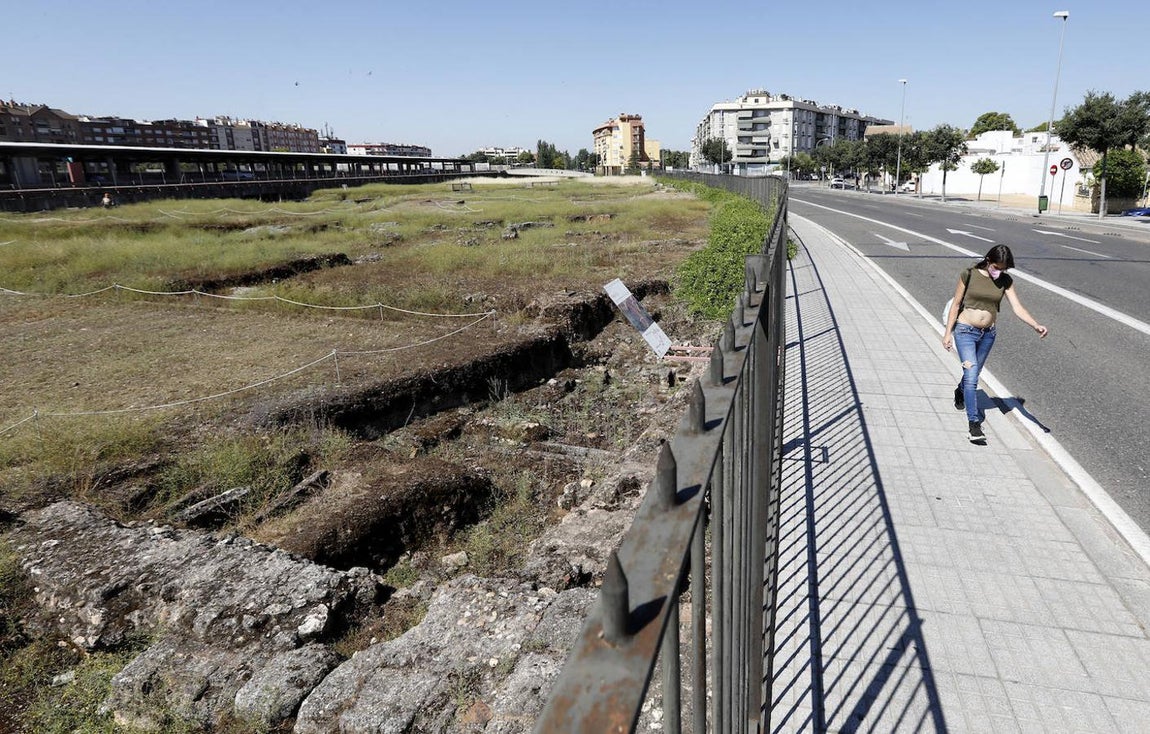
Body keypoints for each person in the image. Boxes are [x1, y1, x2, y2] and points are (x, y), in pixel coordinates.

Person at [942, 245, 1048, 443]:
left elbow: (1017, 307)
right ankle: (974, 425)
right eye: (997, 267)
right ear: (988, 261)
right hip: (965, 331)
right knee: (972, 377)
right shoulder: (969, 274)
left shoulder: (1005, 281)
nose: (999, 271)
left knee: (972, 375)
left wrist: (1035, 325)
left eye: (1004, 268)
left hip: (988, 335)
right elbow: (956, 304)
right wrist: (947, 334)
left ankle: (961, 390)